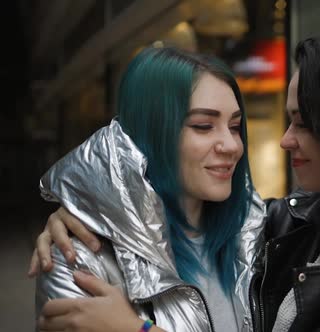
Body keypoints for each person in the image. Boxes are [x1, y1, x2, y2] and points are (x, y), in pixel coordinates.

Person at [31, 36, 320, 332]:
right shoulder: (291, 226)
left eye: (302, 123)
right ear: (155, 133)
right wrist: (90, 206)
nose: (280, 141)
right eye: (203, 126)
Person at [32, 46, 266, 332]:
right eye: (204, 126)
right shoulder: (78, 258)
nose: (231, 145)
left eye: (234, 126)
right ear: (152, 134)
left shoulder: (260, 234)